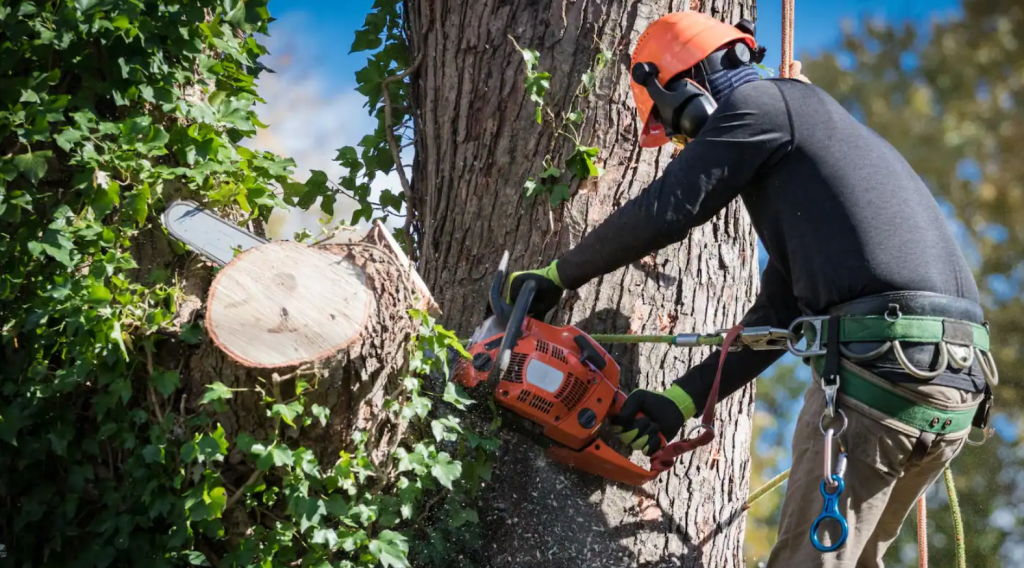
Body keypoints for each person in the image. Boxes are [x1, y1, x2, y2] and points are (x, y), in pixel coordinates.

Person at [506, 11, 996, 568]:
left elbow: (669, 210)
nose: (687, 147)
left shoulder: (760, 107)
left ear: (687, 91)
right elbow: (779, 316)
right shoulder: (815, 162)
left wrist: (556, 277)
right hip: (950, 390)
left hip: (881, 380)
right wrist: (680, 401)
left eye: (681, 131)